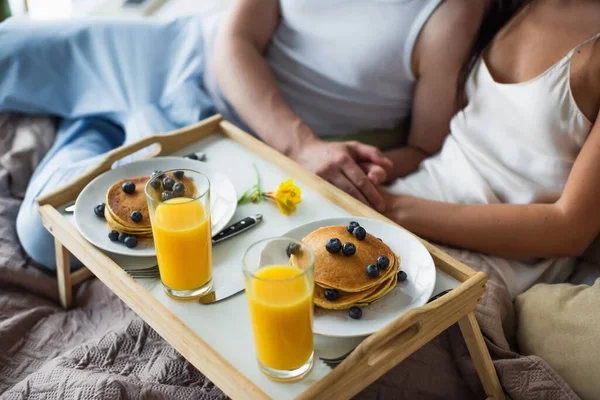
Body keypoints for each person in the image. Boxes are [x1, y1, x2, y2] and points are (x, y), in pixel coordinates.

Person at [0, 0, 486, 270]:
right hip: (171, 53)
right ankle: (105, 112)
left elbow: (425, 147)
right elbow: (234, 40)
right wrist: (302, 144)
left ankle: (95, 118)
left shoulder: (451, 13)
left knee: (46, 241)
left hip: (219, 141)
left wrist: (351, 171)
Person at [381, 0, 600, 297]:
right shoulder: (510, 6)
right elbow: (449, 141)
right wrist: (367, 171)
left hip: (493, 259)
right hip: (412, 196)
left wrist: (395, 208)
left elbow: (570, 230)